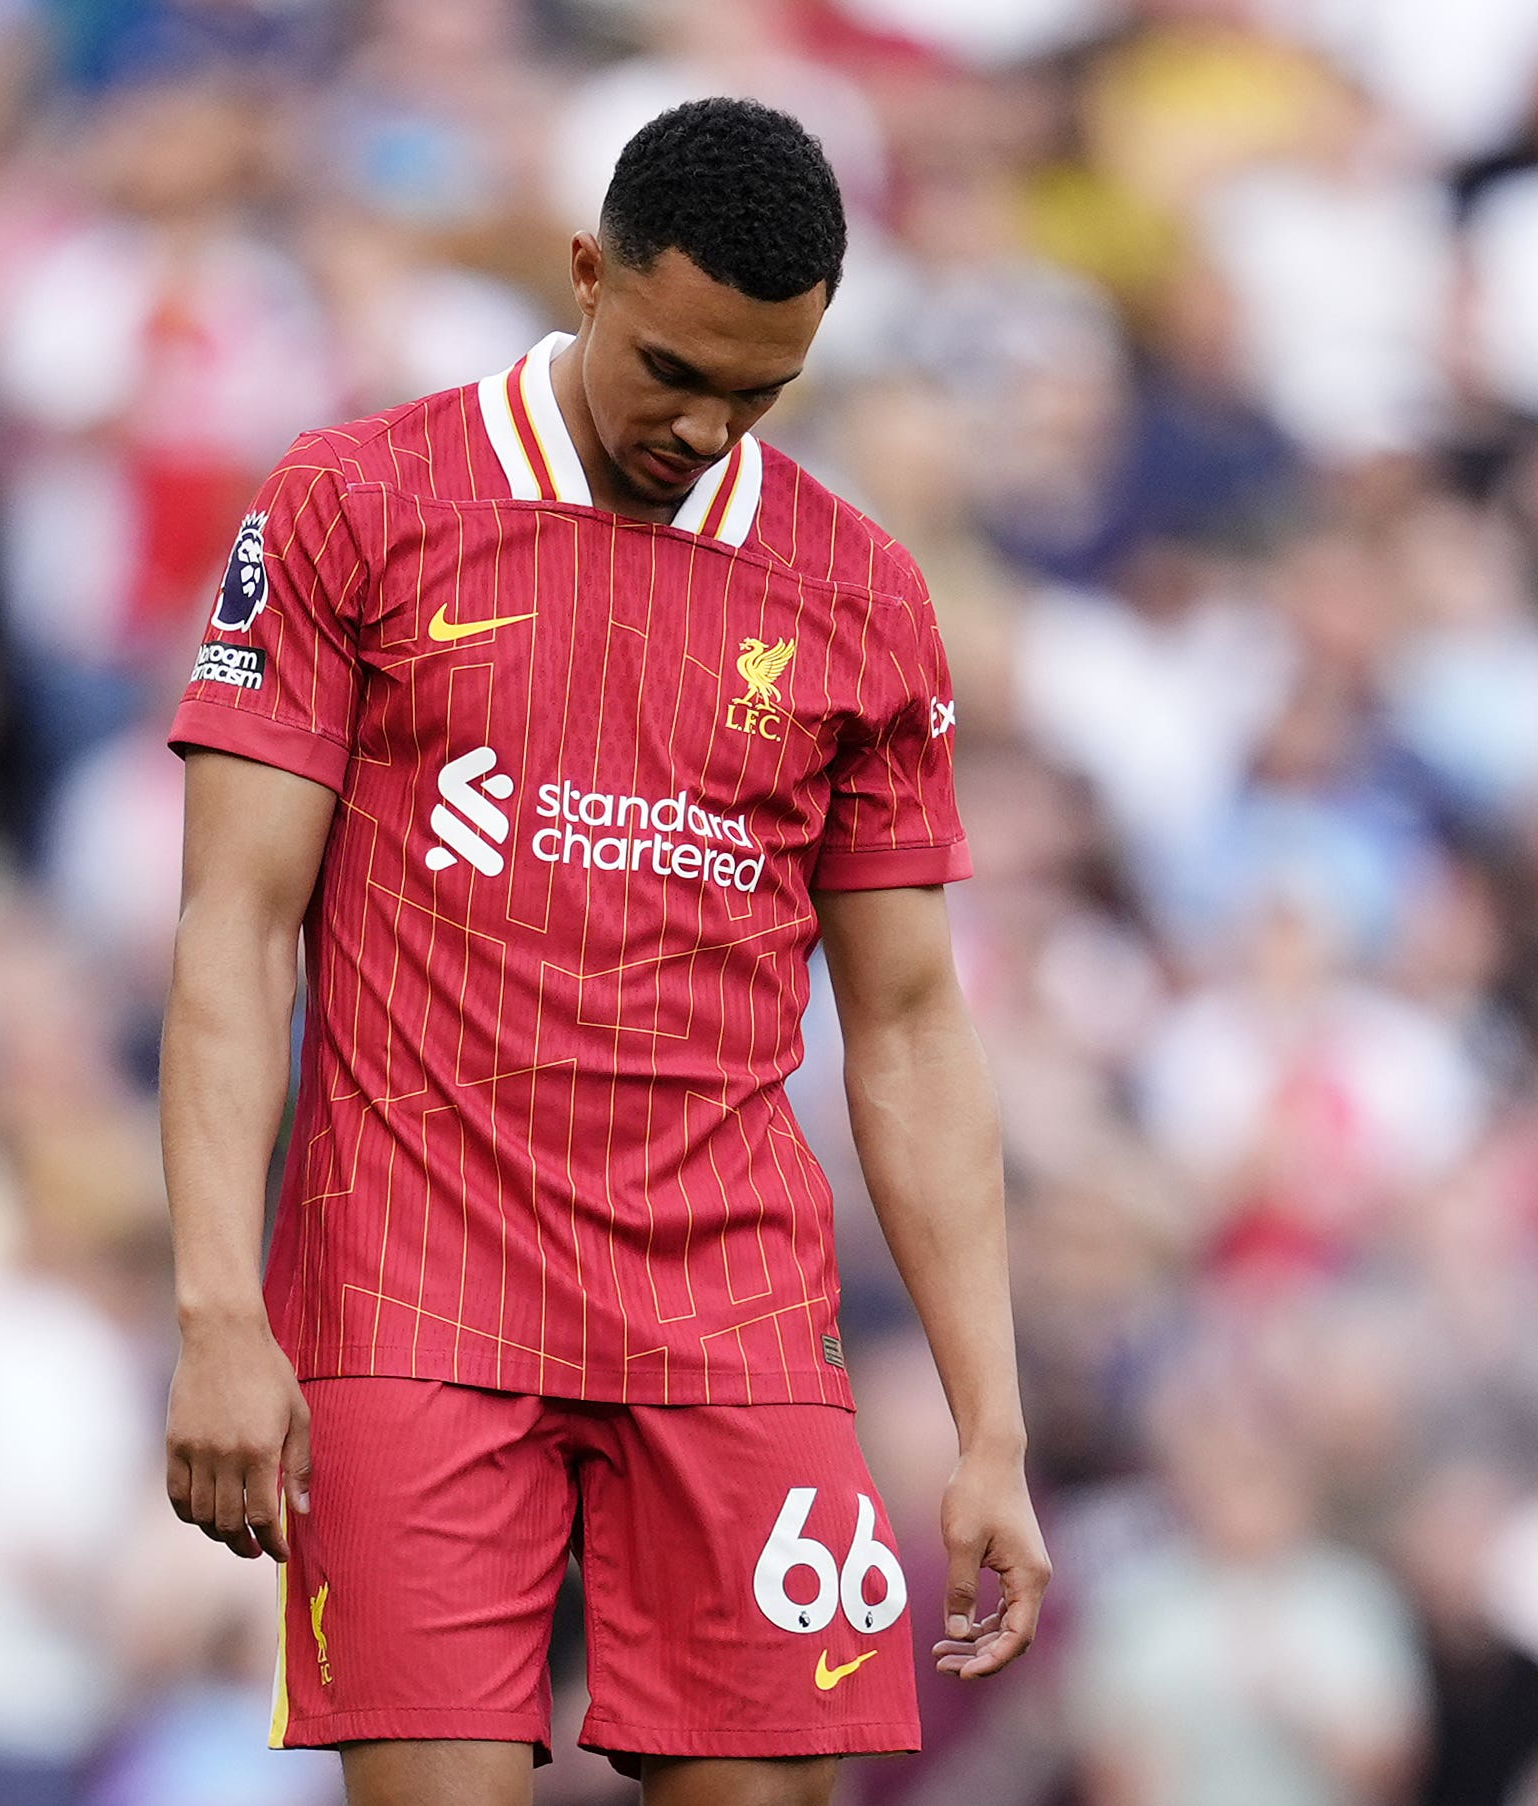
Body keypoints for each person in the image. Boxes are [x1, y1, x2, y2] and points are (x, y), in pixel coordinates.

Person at [157, 97, 1049, 1806]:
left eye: (759, 393)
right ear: (587, 273)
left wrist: (989, 1423)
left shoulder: (860, 593)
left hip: (730, 1314)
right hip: (413, 1291)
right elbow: (235, 926)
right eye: (673, 370)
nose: (702, 427)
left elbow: (910, 1025)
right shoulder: (359, 502)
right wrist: (217, 1310)